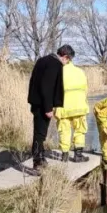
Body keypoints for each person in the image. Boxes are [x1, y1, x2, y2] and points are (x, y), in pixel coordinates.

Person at [27, 45, 72, 173]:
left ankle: (41, 157)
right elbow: (47, 86)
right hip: (43, 104)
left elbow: (35, 81)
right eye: (68, 60)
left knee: (39, 132)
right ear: (65, 57)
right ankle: (37, 163)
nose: (66, 63)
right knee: (40, 134)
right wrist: (48, 108)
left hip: (36, 102)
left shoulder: (42, 60)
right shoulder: (55, 64)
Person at [54, 50, 89, 163]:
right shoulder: (80, 72)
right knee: (80, 131)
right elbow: (85, 90)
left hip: (63, 107)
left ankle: (65, 156)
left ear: (65, 57)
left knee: (64, 131)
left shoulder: (58, 71)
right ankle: (78, 155)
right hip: (79, 107)